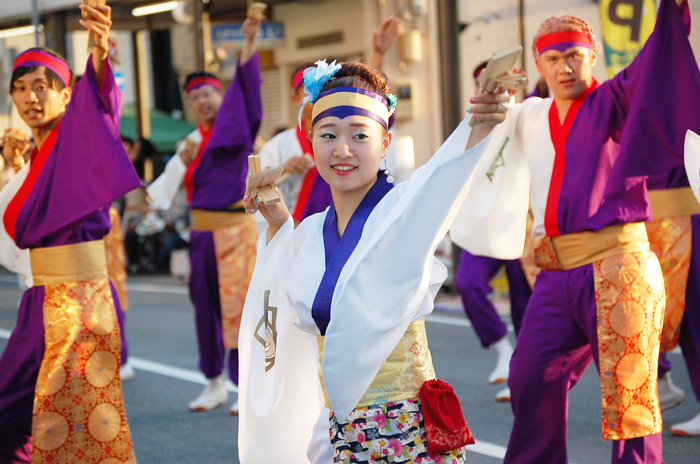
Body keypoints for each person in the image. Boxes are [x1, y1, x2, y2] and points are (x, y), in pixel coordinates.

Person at [450, 0, 699, 462]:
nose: (564, 67)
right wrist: (486, 104)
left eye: (573, 55)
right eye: (552, 58)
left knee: (631, 395)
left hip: (619, 265)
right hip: (557, 272)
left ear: (593, 56)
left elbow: (658, 53)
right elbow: (485, 135)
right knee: (529, 376)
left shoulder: (616, 98)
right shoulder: (529, 115)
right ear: (538, 64)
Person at [240, 60, 505, 463]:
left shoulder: (403, 211)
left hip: (405, 430)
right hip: (334, 429)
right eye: (328, 135)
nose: (342, 150)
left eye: (360, 136)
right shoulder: (309, 232)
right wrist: (278, 226)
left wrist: (480, 122)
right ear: (310, 141)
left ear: (385, 144)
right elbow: (278, 301)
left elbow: (444, 175)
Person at [0, 3, 140, 463]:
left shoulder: (77, 139)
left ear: (66, 96)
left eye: (42, 87)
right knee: (17, 413)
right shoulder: (33, 158)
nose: (29, 98)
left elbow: (99, 103)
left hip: (81, 302)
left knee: (73, 420)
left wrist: (98, 49)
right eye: (19, 89)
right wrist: (13, 169)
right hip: (39, 297)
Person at [150, 16, 262, 415]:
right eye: (194, 96)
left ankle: (248, 384)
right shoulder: (190, 143)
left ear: (222, 97)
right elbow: (165, 192)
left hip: (235, 231)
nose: (202, 100)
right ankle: (213, 383)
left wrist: (248, 41)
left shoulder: (237, 129)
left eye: (209, 93)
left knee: (243, 308)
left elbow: (248, 90)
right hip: (201, 234)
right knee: (205, 307)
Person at [452, 62, 534, 402]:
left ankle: (525, 375)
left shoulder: (530, 115)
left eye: (498, 83)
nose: (489, 90)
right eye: (482, 84)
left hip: (525, 225)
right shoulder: (471, 126)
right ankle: (503, 350)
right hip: (485, 224)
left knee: (525, 304)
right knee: (467, 283)